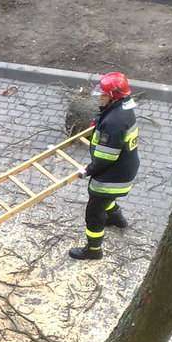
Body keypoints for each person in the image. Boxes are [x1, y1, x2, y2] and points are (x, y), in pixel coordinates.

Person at [70, 71, 140, 261]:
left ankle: (93, 250)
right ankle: (117, 219)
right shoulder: (123, 108)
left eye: (102, 95)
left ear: (113, 97)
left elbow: (105, 159)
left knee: (93, 212)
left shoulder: (114, 123)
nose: (99, 97)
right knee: (105, 199)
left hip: (113, 175)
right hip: (125, 168)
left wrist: (86, 171)